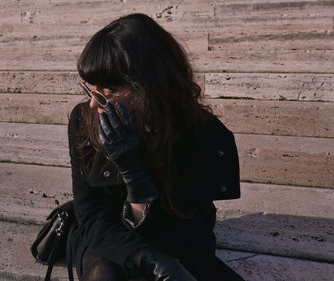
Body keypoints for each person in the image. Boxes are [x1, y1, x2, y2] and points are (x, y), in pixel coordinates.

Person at [67, 13, 246, 281]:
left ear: (148, 87)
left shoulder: (203, 134)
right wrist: (146, 258)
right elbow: (90, 214)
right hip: (108, 237)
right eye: (89, 89)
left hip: (177, 240)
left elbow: (181, 233)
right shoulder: (85, 120)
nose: (94, 103)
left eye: (108, 92)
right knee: (104, 274)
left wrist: (134, 172)